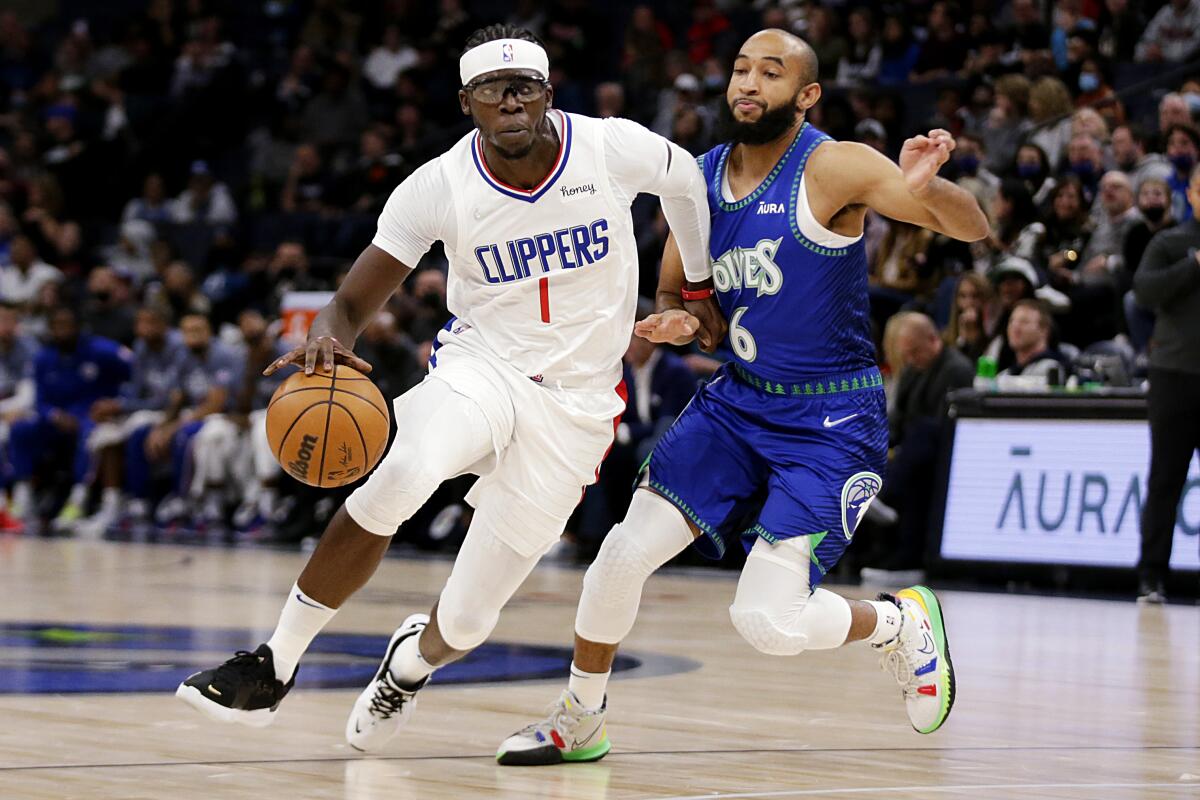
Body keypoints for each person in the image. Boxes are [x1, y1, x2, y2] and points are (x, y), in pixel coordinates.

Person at [174, 25, 714, 751]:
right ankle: (275, 661)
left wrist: (693, 287)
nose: (512, 102)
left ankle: (407, 666)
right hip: (481, 368)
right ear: (468, 104)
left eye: (525, 86)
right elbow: (351, 304)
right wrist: (328, 337)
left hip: (580, 405)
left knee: (465, 623)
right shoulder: (439, 186)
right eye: (494, 90)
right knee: (403, 470)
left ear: (549, 93)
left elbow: (686, 182)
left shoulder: (611, 147)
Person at [499, 28, 988, 766]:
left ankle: (896, 622)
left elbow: (972, 227)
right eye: (739, 71)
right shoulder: (696, 179)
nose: (747, 85)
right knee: (618, 558)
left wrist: (929, 189)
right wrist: (681, 317)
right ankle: (581, 718)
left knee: (767, 622)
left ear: (807, 94)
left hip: (829, 419)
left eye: (771, 72)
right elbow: (679, 286)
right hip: (739, 403)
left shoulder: (835, 166)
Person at [1132, 163, 1200, 603]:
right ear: (1190, 193)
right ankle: (1152, 576)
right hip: (1175, 375)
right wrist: (1193, 265)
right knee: (1165, 480)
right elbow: (1144, 291)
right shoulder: (1170, 242)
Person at [8, 306, 131, 527]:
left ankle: (77, 500)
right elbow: (40, 400)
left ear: (78, 327)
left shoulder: (103, 351)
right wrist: (54, 415)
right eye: (57, 326)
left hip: (90, 415)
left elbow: (138, 375)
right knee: (20, 428)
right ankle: (23, 493)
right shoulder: (43, 357)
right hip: (55, 418)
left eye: (67, 325)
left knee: (90, 432)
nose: (62, 330)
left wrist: (118, 402)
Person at [1001, 299, 1068, 378]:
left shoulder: (1050, 369)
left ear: (1044, 330)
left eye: (1024, 322)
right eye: (1012, 321)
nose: (1015, 327)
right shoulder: (1005, 374)